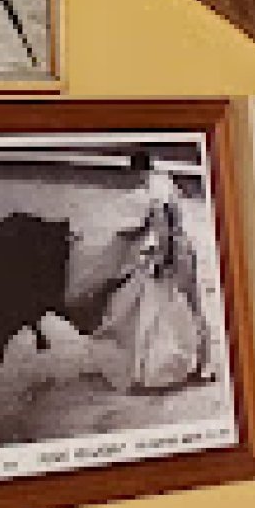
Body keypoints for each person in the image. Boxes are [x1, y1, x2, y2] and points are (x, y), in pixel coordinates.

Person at [95, 152, 215, 389]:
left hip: (173, 253)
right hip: (184, 247)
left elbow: (163, 228)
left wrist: (161, 258)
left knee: (168, 309)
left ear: (138, 171)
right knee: (192, 307)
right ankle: (203, 365)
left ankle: (193, 366)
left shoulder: (154, 190)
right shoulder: (166, 181)